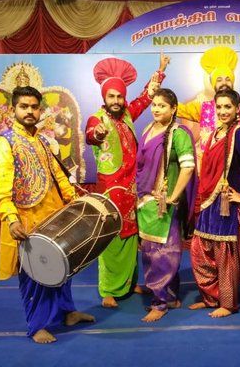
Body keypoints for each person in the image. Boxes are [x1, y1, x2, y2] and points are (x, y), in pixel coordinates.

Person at [0, 86, 95, 344]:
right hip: (27, 221)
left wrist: (74, 201)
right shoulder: (3, 144)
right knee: (36, 276)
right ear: (13, 109)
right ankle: (37, 326)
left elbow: (59, 175)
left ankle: (68, 313)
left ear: (40, 110)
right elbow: (1, 186)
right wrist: (11, 219)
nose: (30, 111)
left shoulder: (43, 141)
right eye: (24, 106)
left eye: (34, 107)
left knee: (63, 269)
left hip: (55, 217)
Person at [177, 46, 240, 299]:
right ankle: (216, 291)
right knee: (206, 244)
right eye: (218, 79)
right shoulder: (204, 109)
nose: (223, 82)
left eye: (227, 78)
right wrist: (156, 84)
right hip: (208, 187)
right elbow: (175, 108)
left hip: (235, 189)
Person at [85, 54, 168, 308]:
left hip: (132, 188)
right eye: (111, 96)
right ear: (104, 97)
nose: (116, 101)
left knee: (132, 236)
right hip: (110, 190)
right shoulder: (96, 119)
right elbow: (91, 135)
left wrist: (160, 70)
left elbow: (146, 96)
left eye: (120, 96)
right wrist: (97, 134)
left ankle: (130, 282)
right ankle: (108, 289)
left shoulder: (128, 115)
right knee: (111, 238)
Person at [188, 89, 240, 318]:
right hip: (210, 201)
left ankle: (228, 303)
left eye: (227, 107)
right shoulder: (213, 134)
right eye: (219, 107)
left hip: (227, 203)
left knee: (225, 254)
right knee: (200, 251)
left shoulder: (238, 133)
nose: (222, 111)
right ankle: (211, 297)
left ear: (238, 108)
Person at [136, 88, 197, 322]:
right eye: (154, 105)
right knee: (152, 252)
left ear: (173, 109)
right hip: (145, 200)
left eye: (162, 105)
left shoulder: (178, 133)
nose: (156, 109)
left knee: (162, 253)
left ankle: (160, 303)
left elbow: (188, 167)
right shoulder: (148, 129)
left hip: (164, 203)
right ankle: (169, 295)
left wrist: (174, 196)